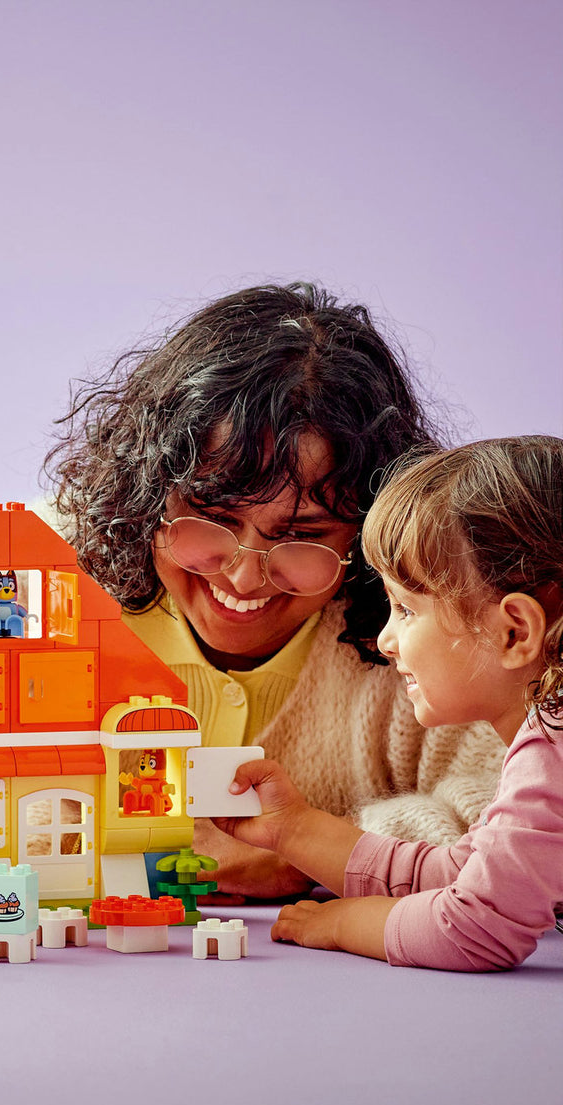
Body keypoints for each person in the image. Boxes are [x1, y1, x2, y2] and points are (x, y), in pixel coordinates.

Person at [45, 282, 505, 898]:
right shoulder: (39, 569)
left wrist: (307, 852)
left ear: (366, 533)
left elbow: (517, 827)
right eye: (211, 520)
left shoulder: (428, 627)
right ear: (146, 490)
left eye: (300, 536)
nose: (242, 577)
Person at [216, 436, 563, 970]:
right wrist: (295, 830)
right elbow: (464, 874)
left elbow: (474, 928)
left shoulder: (552, 752)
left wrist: (341, 923)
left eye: (404, 608)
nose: (384, 639)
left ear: (515, 632)